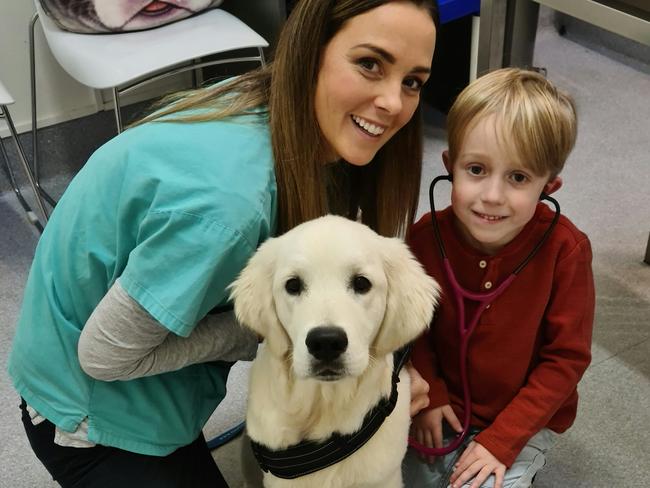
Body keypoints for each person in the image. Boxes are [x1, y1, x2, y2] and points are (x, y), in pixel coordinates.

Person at [7, 1, 438, 487]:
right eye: (369, 64)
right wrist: (259, 333)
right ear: (309, 53)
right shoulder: (228, 208)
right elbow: (105, 355)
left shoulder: (282, 112)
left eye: (413, 81)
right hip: (83, 413)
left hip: (150, 371)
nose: (393, 103)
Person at [403, 68, 595, 488]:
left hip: (520, 419)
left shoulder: (566, 252)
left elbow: (566, 360)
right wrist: (431, 395)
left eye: (518, 178)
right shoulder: (424, 237)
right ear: (450, 166)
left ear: (550, 186)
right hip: (443, 406)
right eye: (476, 169)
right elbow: (411, 328)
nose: (492, 195)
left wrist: (503, 440)